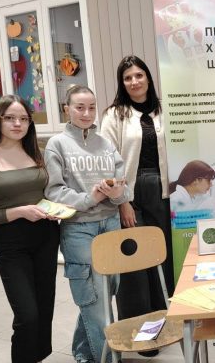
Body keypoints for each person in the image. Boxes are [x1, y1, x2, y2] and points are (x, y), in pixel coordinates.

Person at [0, 95, 60, 363]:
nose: (17, 124)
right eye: (10, 118)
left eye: (23, 119)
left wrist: (55, 208)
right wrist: (19, 211)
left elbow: (49, 192)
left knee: (44, 309)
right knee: (27, 315)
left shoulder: (37, 153)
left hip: (46, 236)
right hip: (11, 243)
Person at [45, 85, 130, 363]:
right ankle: (109, 359)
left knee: (105, 293)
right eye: (79, 107)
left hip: (111, 225)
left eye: (92, 107)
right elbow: (54, 192)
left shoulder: (105, 144)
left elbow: (124, 188)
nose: (86, 113)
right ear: (66, 109)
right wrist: (89, 198)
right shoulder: (57, 144)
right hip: (79, 229)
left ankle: (84, 353)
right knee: (93, 299)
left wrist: (117, 193)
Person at [99, 55, 172, 358]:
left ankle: (161, 327)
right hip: (130, 193)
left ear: (148, 78)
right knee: (135, 264)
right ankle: (139, 336)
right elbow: (107, 161)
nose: (134, 82)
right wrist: (122, 202)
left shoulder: (164, 109)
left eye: (139, 75)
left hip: (163, 192)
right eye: (127, 78)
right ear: (122, 83)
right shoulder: (114, 114)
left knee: (161, 259)